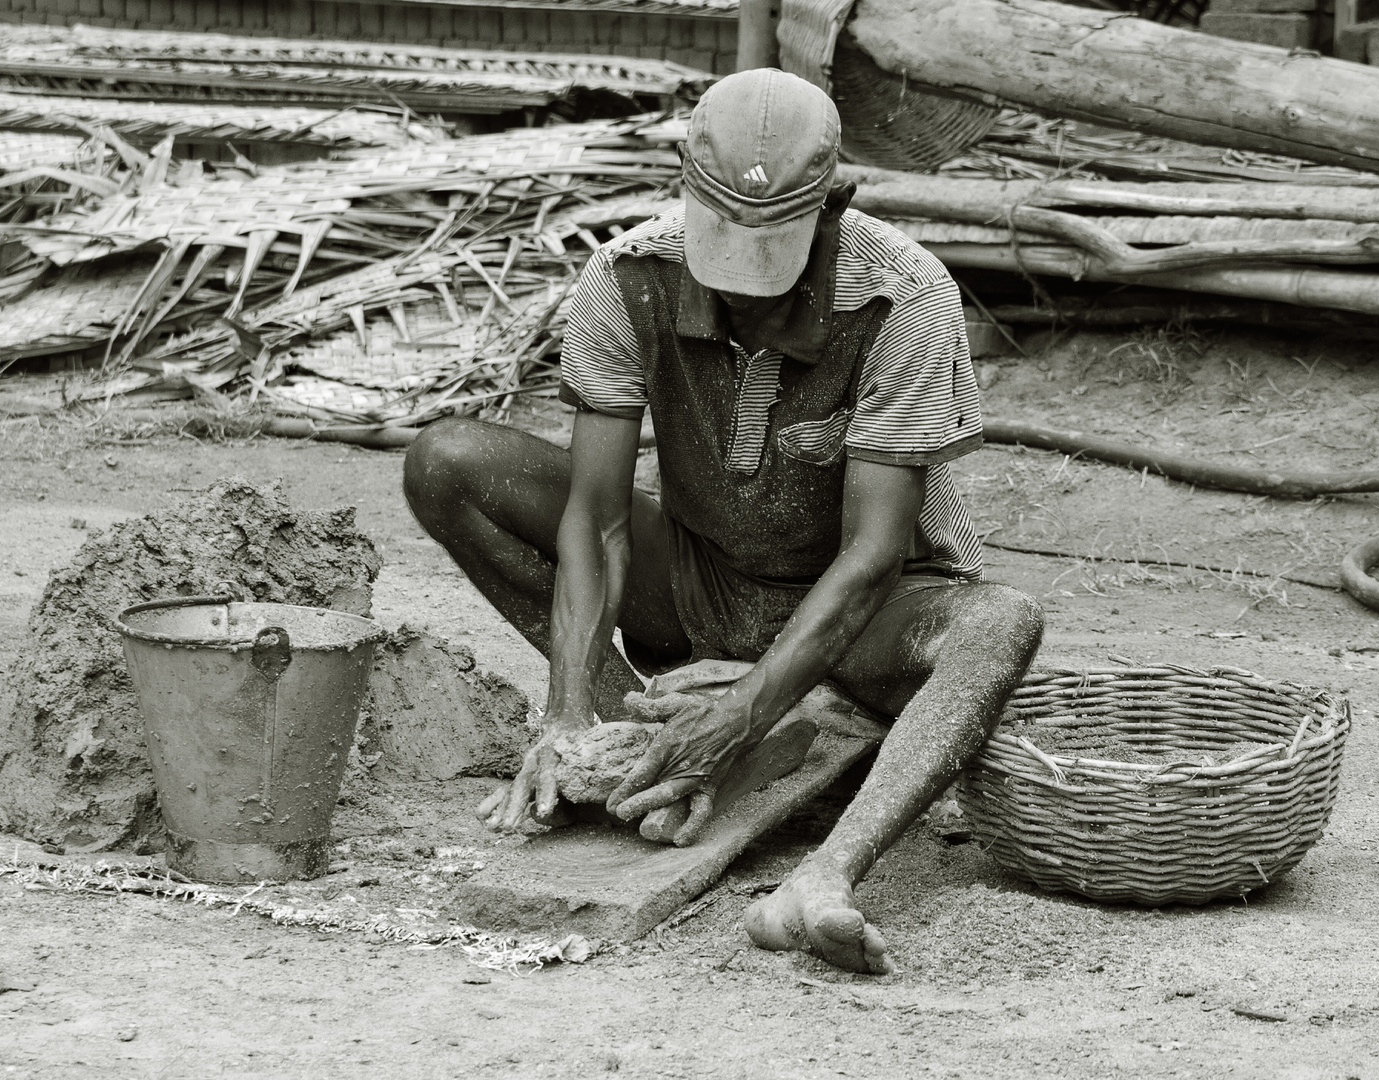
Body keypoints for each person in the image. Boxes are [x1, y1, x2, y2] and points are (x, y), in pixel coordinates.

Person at [402, 68, 1043, 975]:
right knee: (450, 461)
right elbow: (598, 521)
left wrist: (743, 713)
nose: (745, 289)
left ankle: (824, 874)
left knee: (1001, 622)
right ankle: (642, 731)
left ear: (835, 203)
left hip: (871, 619)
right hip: (706, 588)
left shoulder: (905, 294)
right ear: (681, 181)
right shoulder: (627, 277)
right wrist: (570, 711)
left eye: (771, 254)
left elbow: (871, 556)